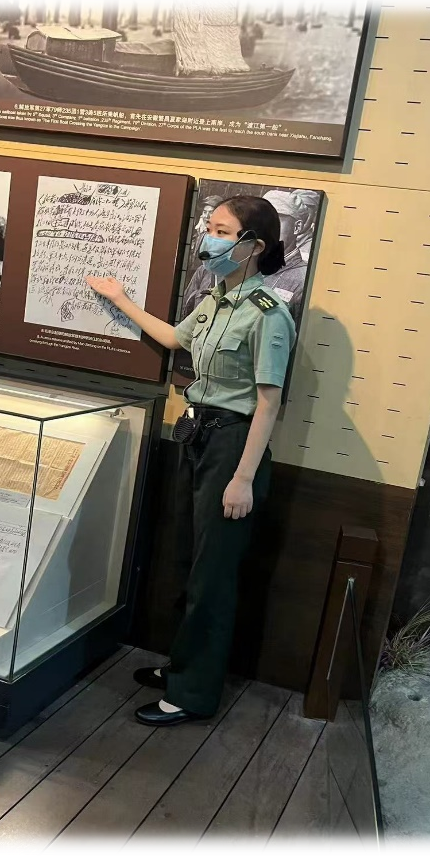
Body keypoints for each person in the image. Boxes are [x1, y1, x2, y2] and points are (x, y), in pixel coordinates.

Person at [87, 196, 296, 727]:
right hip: (198, 435)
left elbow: (269, 403)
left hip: (233, 445)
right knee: (189, 560)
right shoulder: (216, 300)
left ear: (253, 246)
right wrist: (120, 298)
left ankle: (193, 693)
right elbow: (174, 338)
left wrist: (243, 478)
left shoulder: (268, 314)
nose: (210, 238)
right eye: (211, 227)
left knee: (213, 575)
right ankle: (183, 666)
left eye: (222, 231)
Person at [181, 188, 313, 327]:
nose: (264, 228)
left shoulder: (302, 282)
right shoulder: (216, 266)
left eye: (275, 222)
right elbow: (183, 323)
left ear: (297, 227)